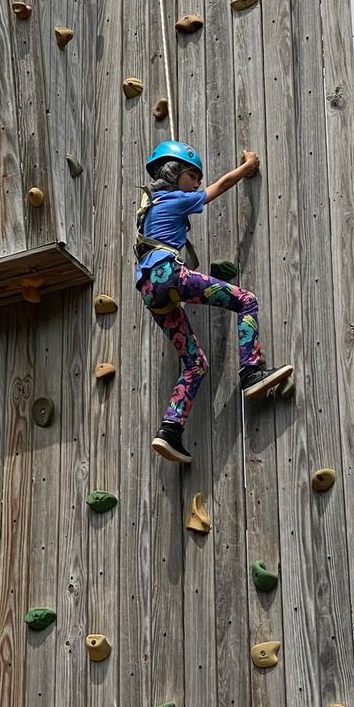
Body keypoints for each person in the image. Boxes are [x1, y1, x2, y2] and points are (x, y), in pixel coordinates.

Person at [135, 139, 294, 465]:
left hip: (152, 293)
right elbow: (219, 187)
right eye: (192, 175)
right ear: (176, 174)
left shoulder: (148, 208)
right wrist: (248, 167)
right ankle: (252, 372)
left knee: (195, 364)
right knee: (246, 301)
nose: (196, 181)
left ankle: (170, 429)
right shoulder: (177, 199)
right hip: (169, 275)